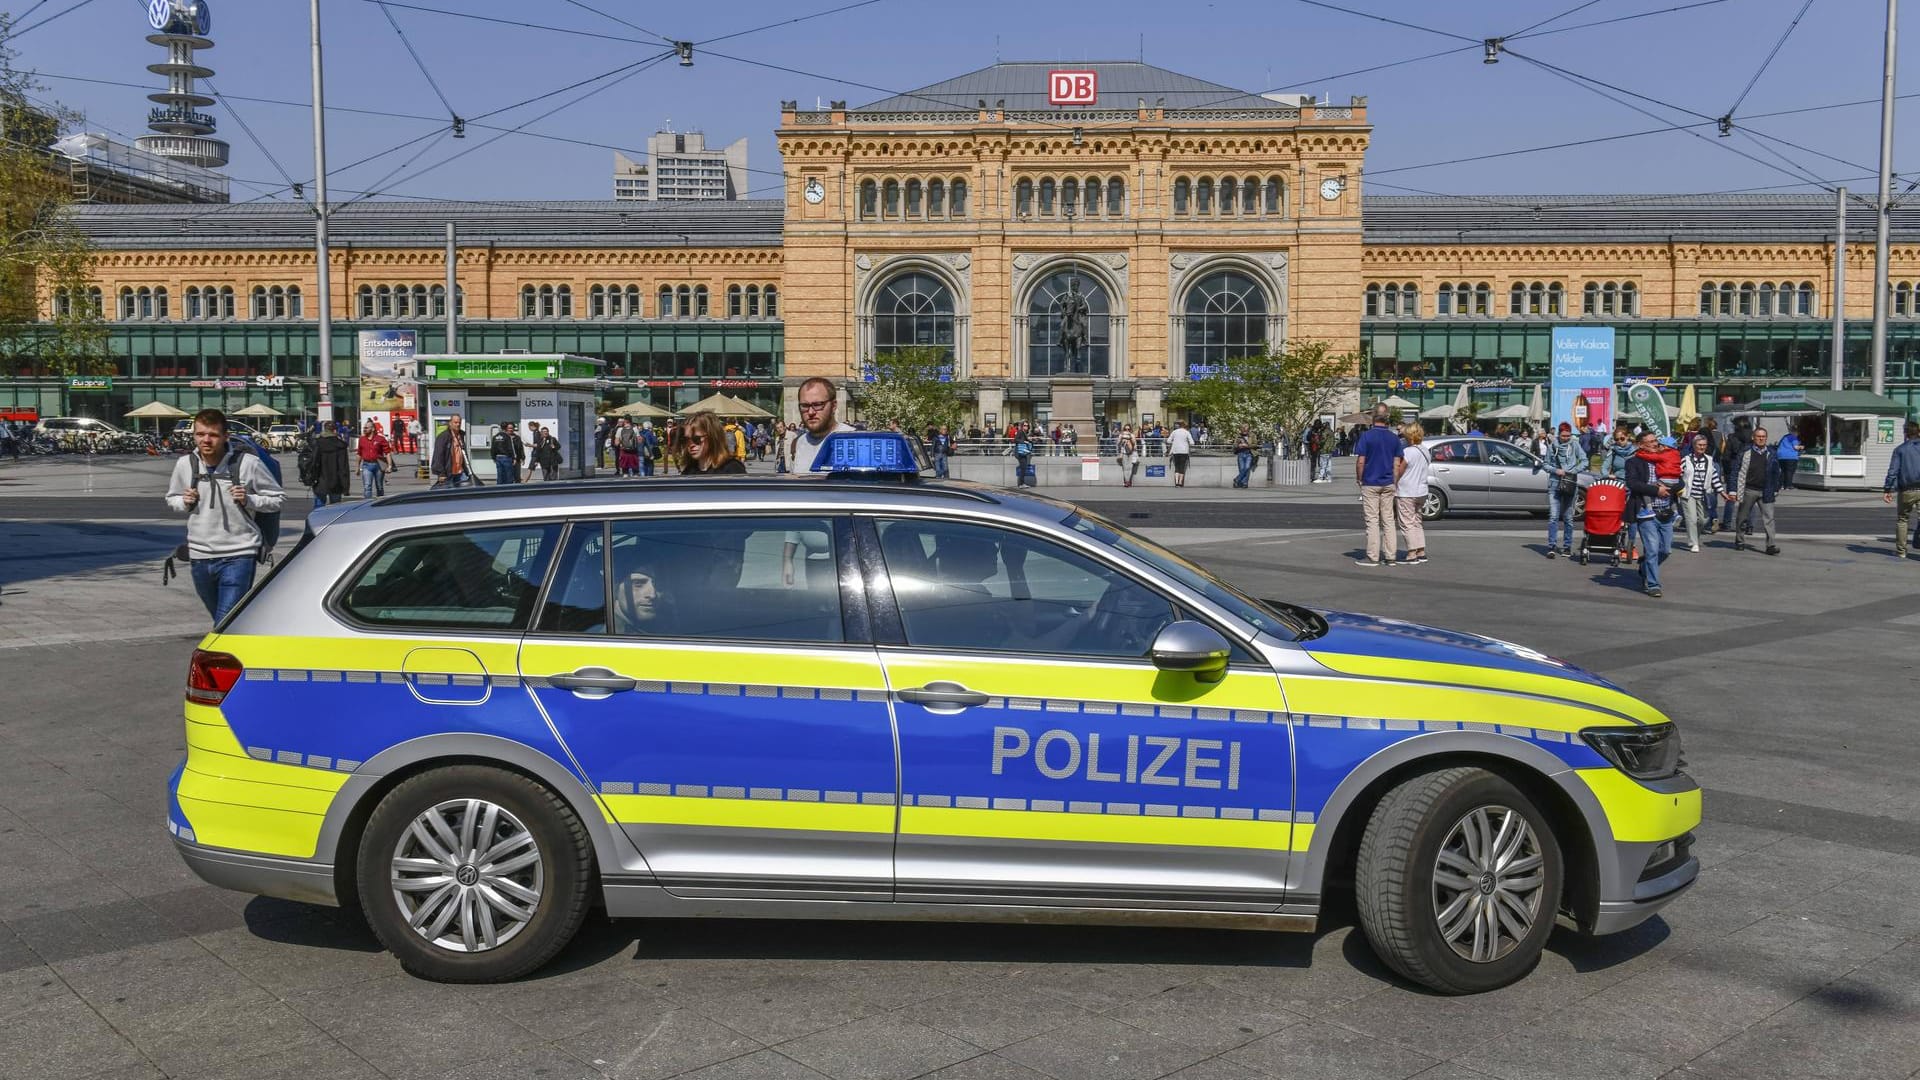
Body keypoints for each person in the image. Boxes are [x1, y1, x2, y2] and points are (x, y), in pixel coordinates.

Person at [165, 408, 284, 622]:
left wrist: (250, 500)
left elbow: (277, 499)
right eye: (200, 434)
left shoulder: (248, 464)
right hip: (200, 556)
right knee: (225, 624)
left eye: (213, 435)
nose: (206, 440)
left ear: (225, 436)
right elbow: (172, 498)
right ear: (194, 435)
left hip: (239, 555)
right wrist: (184, 501)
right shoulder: (185, 465)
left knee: (224, 622)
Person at [1623, 430, 1678, 598]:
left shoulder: (1666, 456)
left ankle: (1645, 567)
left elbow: (1679, 478)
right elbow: (1632, 483)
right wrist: (1656, 490)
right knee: (1652, 549)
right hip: (1646, 512)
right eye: (1651, 442)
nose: (1655, 444)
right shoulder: (1633, 462)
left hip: (1666, 511)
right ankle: (1653, 584)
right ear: (1641, 445)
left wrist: (1672, 486)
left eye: (1656, 441)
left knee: (1666, 550)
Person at [1353, 406, 1401, 568]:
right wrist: (1394, 481)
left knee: (1372, 520)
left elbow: (1361, 461)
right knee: (1388, 520)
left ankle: (1373, 556)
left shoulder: (1367, 436)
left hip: (1370, 482)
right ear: (1387, 418)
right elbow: (1396, 463)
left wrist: (1360, 478)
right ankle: (1391, 556)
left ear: (1373, 417)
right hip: (1388, 483)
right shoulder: (1394, 438)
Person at [1732, 427, 1783, 555]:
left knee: (1769, 518)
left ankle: (1771, 545)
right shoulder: (1745, 451)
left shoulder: (1771, 452)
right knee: (1742, 517)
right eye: (1758, 436)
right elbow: (1735, 470)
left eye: (1763, 437)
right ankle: (1739, 540)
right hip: (1748, 489)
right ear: (1753, 438)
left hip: (1766, 490)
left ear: (1766, 438)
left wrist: (1776, 487)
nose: (1761, 439)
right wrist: (1733, 489)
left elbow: (1777, 471)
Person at [786, 376, 853, 471]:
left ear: (834, 406)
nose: (811, 412)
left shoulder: (853, 439)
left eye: (818, 405)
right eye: (805, 406)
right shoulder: (797, 443)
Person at [1680, 432, 1732, 553]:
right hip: (1688, 494)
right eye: (1699, 445)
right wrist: (1678, 490)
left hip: (1703, 494)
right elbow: (1679, 475)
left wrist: (1722, 492)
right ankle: (1694, 543)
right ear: (1694, 445)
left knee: (1704, 520)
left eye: (1704, 445)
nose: (1702, 447)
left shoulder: (1709, 460)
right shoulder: (1686, 460)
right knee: (1692, 519)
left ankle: (1695, 537)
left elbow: (1714, 477)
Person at [1541, 422, 1586, 559]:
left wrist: (1572, 471)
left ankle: (1567, 547)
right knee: (1553, 516)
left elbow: (1584, 461)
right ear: (1558, 434)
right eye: (1563, 435)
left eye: (1568, 435)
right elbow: (1545, 464)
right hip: (1555, 484)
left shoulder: (1574, 445)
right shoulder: (1551, 446)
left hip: (1570, 484)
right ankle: (1552, 546)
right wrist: (1556, 470)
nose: (1566, 438)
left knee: (1568, 518)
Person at [1394, 422, 1430, 565]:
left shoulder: (1408, 452)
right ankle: (1421, 551)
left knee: (1406, 522)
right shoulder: (1425, 450)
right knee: (1417, 521)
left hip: (1407, 490)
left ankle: (1411, 553)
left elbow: (1400, 471)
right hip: (1422, 490)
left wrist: (1393, 482)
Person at [1884, 420, 1920, 560]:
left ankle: (1901, 551)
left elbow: (1893, 471)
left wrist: (1887, 489)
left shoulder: (1900, 450)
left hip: (1906, 490)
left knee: (1902, 519)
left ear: (1905, 433)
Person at [682, 412, 747, 475]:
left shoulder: (732, 469)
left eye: (696, 439)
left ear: (712, 437)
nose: (690, 444)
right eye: (686, 440)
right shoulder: (688, 471)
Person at [306, 420, 351, 508]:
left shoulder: (317, 443)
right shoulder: (340, 445)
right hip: (336, 482)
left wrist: (311, 478)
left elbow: (313, 462)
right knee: (335, 509)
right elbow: (343, 467)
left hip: (320, 480)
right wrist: (345, 487)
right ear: (335, 430)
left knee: (319, 507)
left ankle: (318, 521)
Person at [429, 414, 475, 487]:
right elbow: (438, 456)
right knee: (448, 495)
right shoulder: (443, 437)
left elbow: (462, 454)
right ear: (450, 423)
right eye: (455, 422)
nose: (458, 424)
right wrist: (441, 473)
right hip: (448, 474)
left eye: (459, 423)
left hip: (460, 472)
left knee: (464, 494)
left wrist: (468, 471)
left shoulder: (461, 435)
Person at [358, 419, 391, 499]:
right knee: (367, 486)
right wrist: (357, 467)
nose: (364, 429)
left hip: (378, 465)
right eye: (364, 428)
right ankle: (367, 504)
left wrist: (389, 466)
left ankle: (380, 503)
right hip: (366, 465)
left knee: (379, 486)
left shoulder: (380, 439)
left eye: (366, 428)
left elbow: (387, 453)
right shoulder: (362, 439)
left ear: (372, 429)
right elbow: (359, 454)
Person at [1010, 422, 1037, 487]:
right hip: (1020, 452)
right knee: (1023, 467)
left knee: (1023, 467)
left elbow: (1026, 441)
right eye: (1024, 425)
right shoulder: (1020, 432)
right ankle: (1021, 484)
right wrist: (1024, 441)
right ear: (1022, 426)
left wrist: (1030, 440)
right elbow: (1015, 440)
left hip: (1023, 452)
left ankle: (1022, 483)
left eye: (1027, 426)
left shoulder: (1025, 433)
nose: (1026, 427)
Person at [1168, 420, 1194, 487]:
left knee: (1177, 467)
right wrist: (1186, 442)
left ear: (1178, 425)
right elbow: (1192, 442)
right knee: (1182, 467)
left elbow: (1168, 441)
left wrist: (1175, 441)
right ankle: (1180, 483)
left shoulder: (1174, 432)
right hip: (1184, 451)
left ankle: (1176, 482)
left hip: (1176, 451)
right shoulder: (1186, 432)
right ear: (1184, 426)